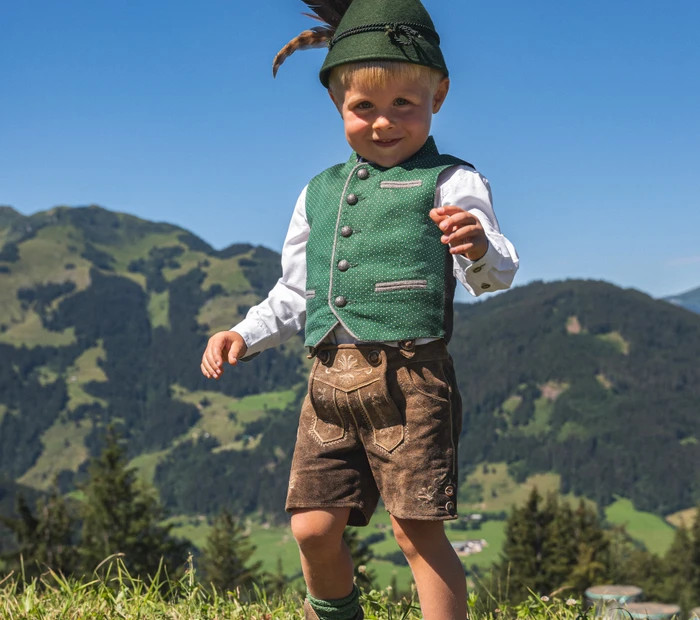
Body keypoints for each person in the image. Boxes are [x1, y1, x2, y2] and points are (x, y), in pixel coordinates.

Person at [200, 1, 519, 618]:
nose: (384, 122)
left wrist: (477, 246)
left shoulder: (453, 181)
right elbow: (295, 292)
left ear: (439, 96)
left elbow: (496, 274)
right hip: (327, 381)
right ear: (337, 105)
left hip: (412, 379)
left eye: (405, 103)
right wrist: (243, 331)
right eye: (363, 107)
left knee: (414, 532)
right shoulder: (318, 192)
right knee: (313, 529)